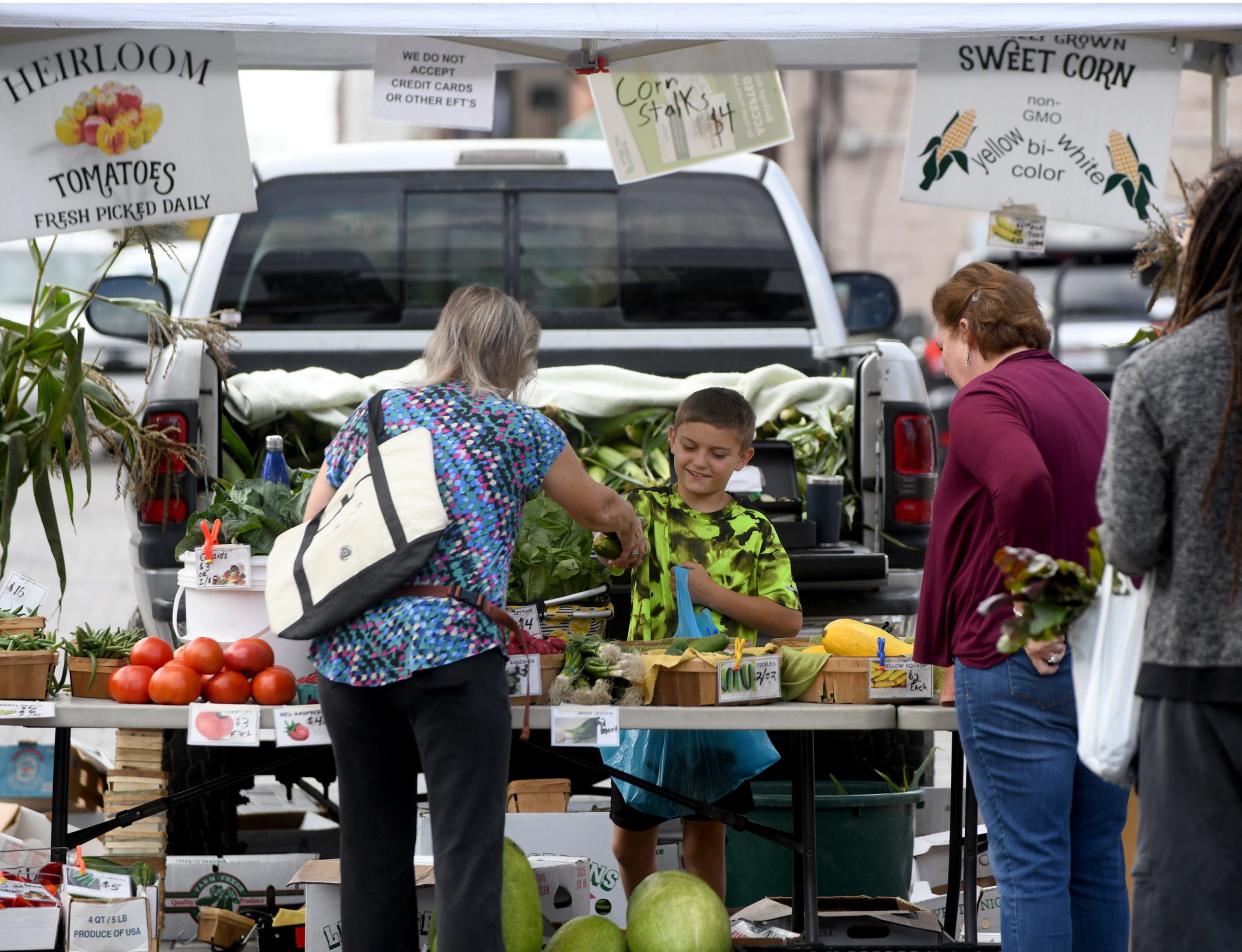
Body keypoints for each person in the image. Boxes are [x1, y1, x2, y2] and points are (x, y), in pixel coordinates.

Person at [299, 285, 645, 952]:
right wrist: (630, 530)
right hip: (452, 653)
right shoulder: (520, 428)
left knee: (370, 854)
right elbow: (599, 509)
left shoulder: (374, 414)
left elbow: (313, 526)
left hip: (351, 659)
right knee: (466, 857)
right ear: (516, 356)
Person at [914, 262, 1129, 952]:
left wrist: (1032, 603)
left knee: (1031, 867)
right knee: (1095, 859)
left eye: (942, 342)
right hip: (1098, 655)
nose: (944, 359)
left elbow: (1025, 481)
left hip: (1016, 661)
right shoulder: (1088, 394)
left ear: (968, 332)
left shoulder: (984, 400)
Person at [1096, 156, 1242, 951]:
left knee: (1192, 908)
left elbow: (1131, 542)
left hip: (1196, 680)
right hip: (1194, 679)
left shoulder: (1160, 371)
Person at [607, 387, 802, 899]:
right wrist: (612, 547)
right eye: (690, 446)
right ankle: (648, 930)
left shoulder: (754, 528)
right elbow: (603, 545)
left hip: (720, 700)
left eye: (718, 454)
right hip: (646, 698)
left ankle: (705, 934)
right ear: (671, 440)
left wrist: (712, 594)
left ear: (743, 459)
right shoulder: (642, 509)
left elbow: (786, 619)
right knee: (628, 845)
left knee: (705, 842)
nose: (700, 462)